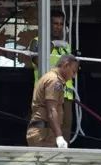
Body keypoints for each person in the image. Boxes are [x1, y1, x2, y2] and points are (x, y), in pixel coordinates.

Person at [29, 10, 74, 140]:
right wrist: (53, 44)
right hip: (45, 96)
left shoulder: (66, 47)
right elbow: (38, 61)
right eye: (55, 23)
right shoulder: (36, 42)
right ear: (48, 24)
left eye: (60, 24)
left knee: (64, 131)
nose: (58, 27)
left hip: (65, 96)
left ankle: (63, 159)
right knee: (44, 130)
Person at [26, 54, 80, 148]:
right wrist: (59, 136)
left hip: (44, 132)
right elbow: (51, 110)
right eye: (73, 71)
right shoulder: (54, 81)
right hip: (43, 134)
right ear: (66, 65)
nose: (73, 76)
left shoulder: (50, 78)